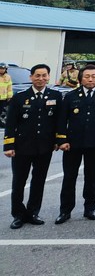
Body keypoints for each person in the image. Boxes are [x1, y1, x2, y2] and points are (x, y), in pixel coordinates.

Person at [4, 64, 62, 229]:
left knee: (39, 181)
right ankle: (18, 215)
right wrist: (8, 145)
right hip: (22, 147)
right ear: (31, 77)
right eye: (37, 75)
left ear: (48, 77)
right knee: (19, 182)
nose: (41, 79)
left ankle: (33, 212)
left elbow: (58, 121)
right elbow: (10, 123)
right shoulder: (20, 97)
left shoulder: (55, 96)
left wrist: (58, 140)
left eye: (44, 75)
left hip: (44, 147)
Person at [55, 64, 95, 224]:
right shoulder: (71, 96)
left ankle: (90, 208)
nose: (90, 79)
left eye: (94, 76)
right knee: (69, 177)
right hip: (72, 144)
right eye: (87, 76)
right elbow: (62, 120)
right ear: (80, 79)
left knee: (91, 176)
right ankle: (65, 210)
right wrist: (62, 140)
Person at [0, 62, 12, 128]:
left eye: (3, 69)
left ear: (5, 69)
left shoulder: (8, 77)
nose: (2, 70)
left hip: (3, 98)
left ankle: (1, 123)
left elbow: (9, 87)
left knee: (1, 111)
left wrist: (9, 96)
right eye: (0, 69)